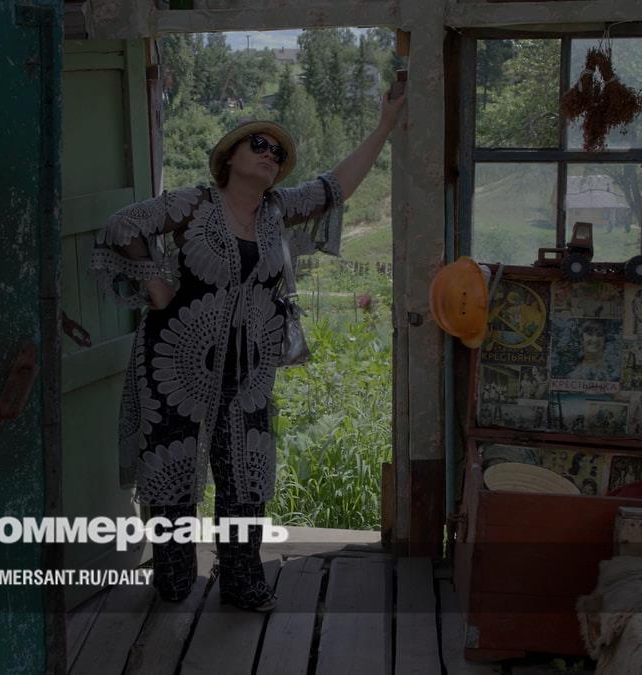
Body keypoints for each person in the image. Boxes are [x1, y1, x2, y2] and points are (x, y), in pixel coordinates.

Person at [89, 93, 406, 611]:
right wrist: (156, 286)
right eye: (259, 144)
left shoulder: (278, 211)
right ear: (230, 156)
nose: (270, 156)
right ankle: (173, 576)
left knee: (245, 474)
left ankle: (240, 580)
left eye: (278, 154)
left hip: (249, 370)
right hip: (175, 363)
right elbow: (123, 225)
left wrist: (385, 125)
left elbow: (336, 186)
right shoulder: (192, 204)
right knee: (171, 470)